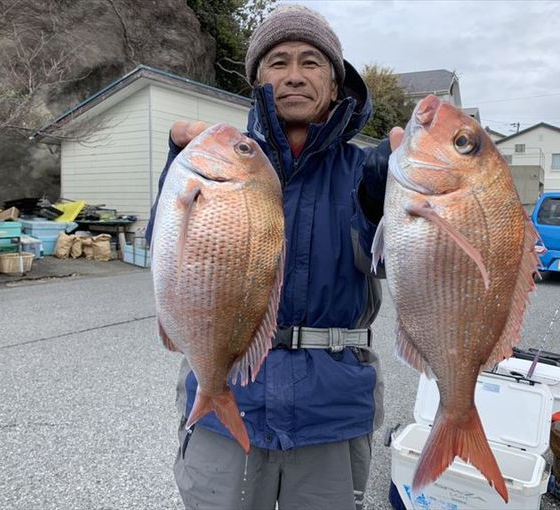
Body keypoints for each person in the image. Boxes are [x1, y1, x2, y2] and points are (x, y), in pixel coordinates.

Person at [145, 5, 403, 509]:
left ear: (334, 84)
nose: (294, 76)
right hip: (228, 401)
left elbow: (395, 265)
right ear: (258, 81)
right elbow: (170, 256)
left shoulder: (365, 171)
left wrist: (381, 200)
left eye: (311, 62)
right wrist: (180, 174)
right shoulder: (221, 158)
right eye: (278, 62)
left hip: (332, 408)